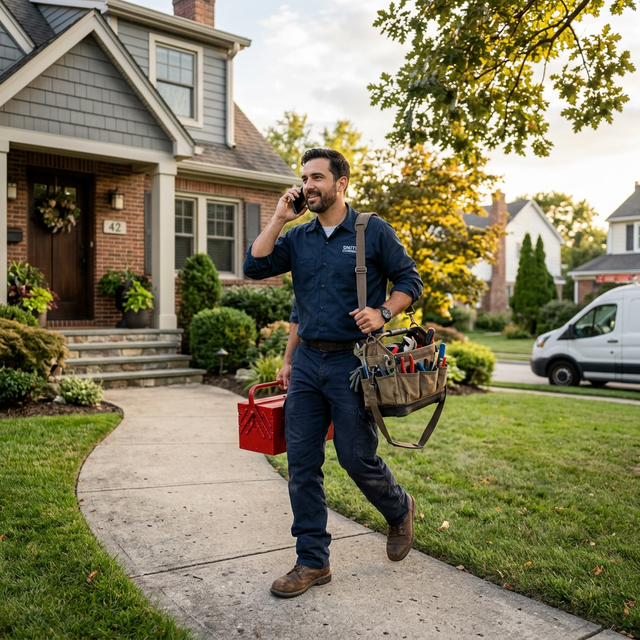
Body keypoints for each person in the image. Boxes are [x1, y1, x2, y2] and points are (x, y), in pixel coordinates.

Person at [243, 148, 423, 598]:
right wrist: (280, 217)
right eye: (305, 178)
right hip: (307, 364)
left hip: (352, 364)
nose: (308, 185)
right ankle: (312, 561)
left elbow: (410, 282)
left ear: (341, 183)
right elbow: (254, 266)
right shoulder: (298, 237)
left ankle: (399, 508)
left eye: (317, 177)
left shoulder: (371, 230)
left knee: (354, 456)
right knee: (302, 464)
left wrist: (383, 311)